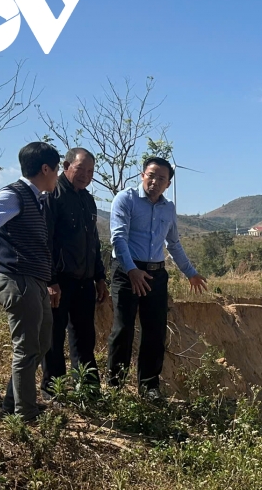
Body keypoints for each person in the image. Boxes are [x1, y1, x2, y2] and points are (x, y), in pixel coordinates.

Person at [0, 141, 61, 419]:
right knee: (27, 348)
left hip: (36, 282)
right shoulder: (15, 194)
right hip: (18, 281)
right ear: (45, 168)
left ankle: (12, 403)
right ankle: (25, 415)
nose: (57, 175)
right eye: (56, 169)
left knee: (41, 344)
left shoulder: (37, 200)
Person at [107, 157, 207, 394]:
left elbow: (173, 244)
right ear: (142, 175)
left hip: (155, 274)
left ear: (168, 183)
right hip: (126, 271)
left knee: (155, 331)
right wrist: (132, 270)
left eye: (161, 178)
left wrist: (191, 273)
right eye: (151, 175)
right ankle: (115, 387)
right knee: (123, 330)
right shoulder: (125, 199)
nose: (155, 181)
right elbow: (118, 239)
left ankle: (149, 387)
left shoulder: (169, 208)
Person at [42, 147, 108, 394]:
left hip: (85, 281)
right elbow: (45, 240)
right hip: (60, 281)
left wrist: (100, 277)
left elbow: (94, 242)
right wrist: (50, 279)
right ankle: (54, 390)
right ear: (67, 166)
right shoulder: (53, 195)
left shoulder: (88, 199)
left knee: (84, 338)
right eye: (81, 169)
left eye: (91, 171)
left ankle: (88, 390)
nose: (86, 175)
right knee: (54, 337)